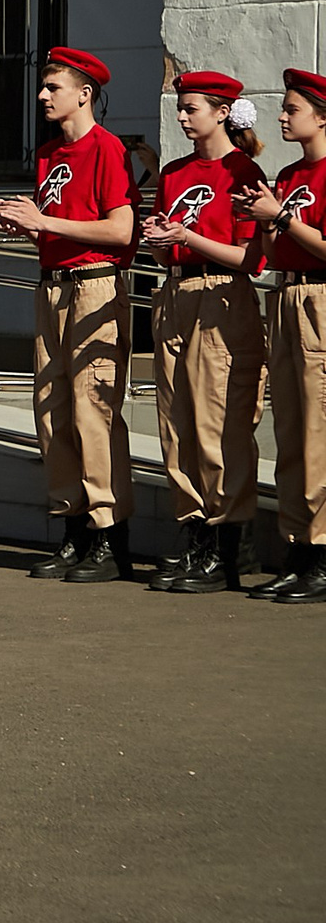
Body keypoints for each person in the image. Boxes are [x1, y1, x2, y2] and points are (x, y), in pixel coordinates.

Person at [0, 46, 138, 584]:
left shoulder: (107, 149)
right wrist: (28, 226)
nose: (42, 96)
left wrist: (48, 226)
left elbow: (121, 231)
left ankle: (108, 536)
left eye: (53, 87)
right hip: (52, 288)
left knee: (92, 410)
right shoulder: (51, 155)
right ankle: (73, 528)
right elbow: (58, 224)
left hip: (95, 287)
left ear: (84, 94)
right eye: (44, 86)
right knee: (52, 410)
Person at [137, 71, 265, 593]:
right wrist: (160, 241)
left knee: (220, 424)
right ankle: (196, 540)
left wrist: (188, 234)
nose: (183, 117)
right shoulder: (172, 173)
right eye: (180, 108)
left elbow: (250, 258)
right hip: (175, 293)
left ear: (221, 113)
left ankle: (230, 544)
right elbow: (169, 248)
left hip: (222, 294)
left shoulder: (243, 172)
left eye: (192, 108)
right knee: (177, 422)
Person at [241, 68, 326, 603]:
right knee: (291, 430)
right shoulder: (291, 176)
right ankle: (298, 550)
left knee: (319, 429)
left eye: (292, 109)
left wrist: (284, 220)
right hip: (287, 296)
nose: (281, 116)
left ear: (322, 116)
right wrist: (266, 223)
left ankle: (321, 553)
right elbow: (274, 254)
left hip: (321, 298)